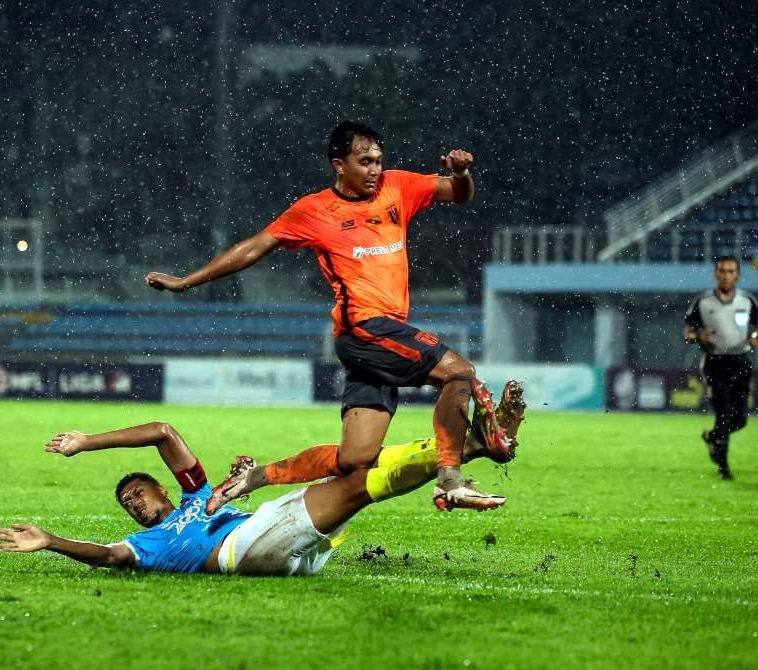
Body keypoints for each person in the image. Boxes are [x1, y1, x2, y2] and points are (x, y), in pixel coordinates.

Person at [145, 121, 512, 512]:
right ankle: (450, 481)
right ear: (339, 165)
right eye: (364, 161)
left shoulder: (398, 186)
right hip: (364, 329)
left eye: (378, 161)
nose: (374, 169)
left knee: (355, 460)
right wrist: (186, 282)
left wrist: (461, 173)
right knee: (459, 372)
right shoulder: (314, 210)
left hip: (381, 335)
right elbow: (254, 248)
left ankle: (252, 478)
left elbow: (458, 194)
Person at [0, 392, 526, 576]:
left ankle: (466, 451)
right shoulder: (149, 546)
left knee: (358, 476)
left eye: (137, 492)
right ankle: (473, 446)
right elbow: (108, 556)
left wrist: (87, 442)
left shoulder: (196, 494)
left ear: (163, 488)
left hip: (292, 554)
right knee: (355, 481)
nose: (133, 504)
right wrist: (51, 542)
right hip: (241, 549)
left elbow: (160, 430)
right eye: (127, 504)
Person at [683, 255, 758, 480]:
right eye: (722, 271)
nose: (727, 275)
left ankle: (712, 437)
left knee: (740, 420)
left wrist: (757, 337)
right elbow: (688, 333)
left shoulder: (747, 300)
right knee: (724, 415)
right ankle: (724, 468)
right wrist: (699, 335)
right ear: (715, 274)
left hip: (740, 361)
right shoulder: (703, 302)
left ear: (737, 275)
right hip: (715, 363)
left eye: (731, 271)